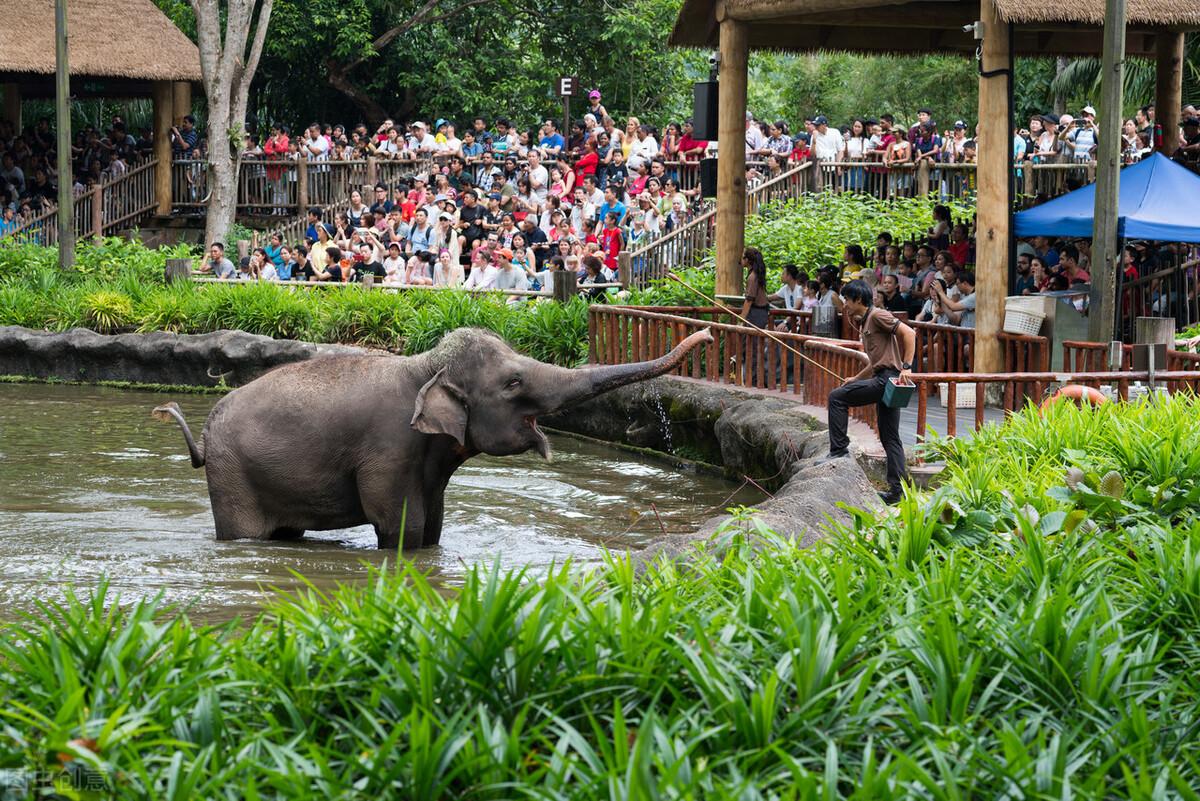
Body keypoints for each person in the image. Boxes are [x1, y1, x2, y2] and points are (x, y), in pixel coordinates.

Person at [817, 279, 916, 505]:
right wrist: (857, 378)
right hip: (883, 377)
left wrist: (907, 367)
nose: (845, 306)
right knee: (890, 436)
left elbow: (909, 333)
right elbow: (876, 361)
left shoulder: (878, 315)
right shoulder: (865, 322)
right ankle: (898, 492)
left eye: (847, 301)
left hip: (887, 380)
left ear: (859, 299)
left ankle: (839, 450)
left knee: (836, 398)